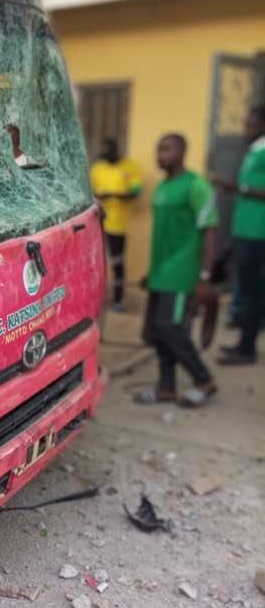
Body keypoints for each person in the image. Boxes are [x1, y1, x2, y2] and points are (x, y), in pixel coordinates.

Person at [135, 133, 218, 408]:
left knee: (170, 326)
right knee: (158, 331)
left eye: (167, 149)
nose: (160, 155)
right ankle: (165, 388)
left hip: (182, 270)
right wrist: (151, 272)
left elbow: (210, 231)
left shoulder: (197, 186)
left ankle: (203, 380)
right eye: (158, 149)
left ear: (182, 152)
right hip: (161, 269)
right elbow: (164, 235)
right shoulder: (161, 187)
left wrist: (205, 276)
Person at [211, 105, 265, 365]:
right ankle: (244, 341)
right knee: (245, 288)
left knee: (252, 289)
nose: (246, 127)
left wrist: (235, 187)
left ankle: (247, 348)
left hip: (258, 232)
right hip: (244, 229)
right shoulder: (254, 151)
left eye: (251, 123)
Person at [90, 137, 142, 310]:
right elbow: (89, 192)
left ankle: (118, 300)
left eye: (109, 152)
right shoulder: (97, 168)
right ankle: (96, 298)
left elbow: (135, 192)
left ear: (116, 151)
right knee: (95, 262)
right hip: (96, 223)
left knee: (117, 262)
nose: (106, 155)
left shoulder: (130, 167)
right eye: (104, 152)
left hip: (117, 224)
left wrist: (112, 195)